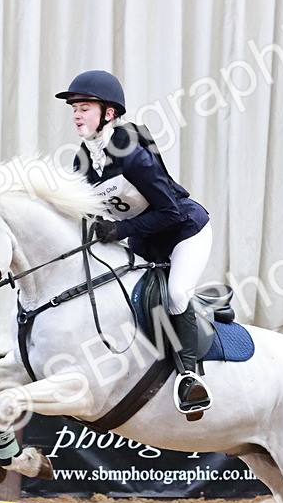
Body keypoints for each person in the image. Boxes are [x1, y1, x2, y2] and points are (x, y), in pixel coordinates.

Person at [55, 70, 213, 416]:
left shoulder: (132, 154)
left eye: (84, 108)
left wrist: (120, 230)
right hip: (144, 240)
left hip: (184, 231)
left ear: (108, 113)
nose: (76, 116)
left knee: (176, 294)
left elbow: (170, 212)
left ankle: (189, 377)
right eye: (74, 109)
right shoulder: (83, 160)